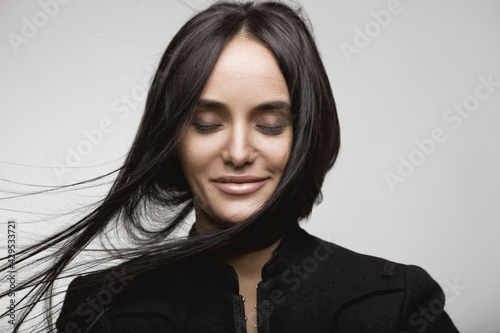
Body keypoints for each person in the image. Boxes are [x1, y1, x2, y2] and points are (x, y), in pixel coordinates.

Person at [2, 1, 458, 332]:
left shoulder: (399, 304)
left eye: (271, 124)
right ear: (172, 140)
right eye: (206, 123)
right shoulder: (99, 309)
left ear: (306, 135)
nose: (238, 152)